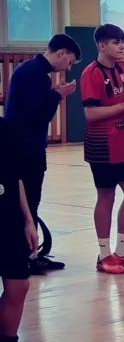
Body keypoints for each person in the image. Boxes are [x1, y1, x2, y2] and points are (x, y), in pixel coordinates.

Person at [4, 34, 80, 275]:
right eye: (69, 61)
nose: (68, 67)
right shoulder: (33, 74)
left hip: (28, 146)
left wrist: (54, 94)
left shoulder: (33, 71)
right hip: (24, 149)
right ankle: (26, 256)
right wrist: (58, 95)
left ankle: (30, 254)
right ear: (61, 53)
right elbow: (37, 114)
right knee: (27, 203)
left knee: (31, 202)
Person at [80, 24, 124, 274]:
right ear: (102, 45)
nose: (122, 47)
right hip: (102, 145)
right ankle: (104, 255)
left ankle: (121, 251)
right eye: (116, 42)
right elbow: (90, 113)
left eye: (123, 42)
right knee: (106, 196)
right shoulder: (91, 74)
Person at [0, 116, 45, 342]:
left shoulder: (4, 130)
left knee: (19, 286)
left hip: (8, 219)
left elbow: (15, 179)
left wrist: (28, 220)